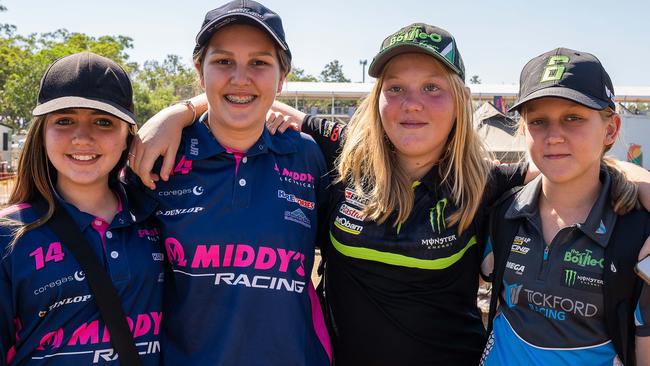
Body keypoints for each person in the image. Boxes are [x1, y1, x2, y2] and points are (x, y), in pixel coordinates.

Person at [130, 24, 650, 366]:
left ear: (460, 100)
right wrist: (180, 111)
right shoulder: (336, 160)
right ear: (377, 99)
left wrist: (637, 179)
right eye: (395, 88)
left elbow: (574, 163)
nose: (412, 104)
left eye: (432, 88)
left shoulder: (489, 185)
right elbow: (251, 100)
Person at [126, 1, 332, 365]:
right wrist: (178, 113)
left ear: (282, 77)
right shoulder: (161, 157)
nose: (240, 78)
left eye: (259, 63)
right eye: (223, 61)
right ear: (199, 71)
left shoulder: (309, 157)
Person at [480, 48, 650, 366]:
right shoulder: (502, 212)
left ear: (611, 129)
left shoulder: (638, 231)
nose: (554, 136)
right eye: (539, 121)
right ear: (523, 130)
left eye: (573, 118)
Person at [0, 52, 163, 365]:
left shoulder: (157, 217)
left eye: (103, 122)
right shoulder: (9, 235)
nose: (82, 137)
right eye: (64, 120)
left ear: (128, 135)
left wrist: (182, 112)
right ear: (42, 133)